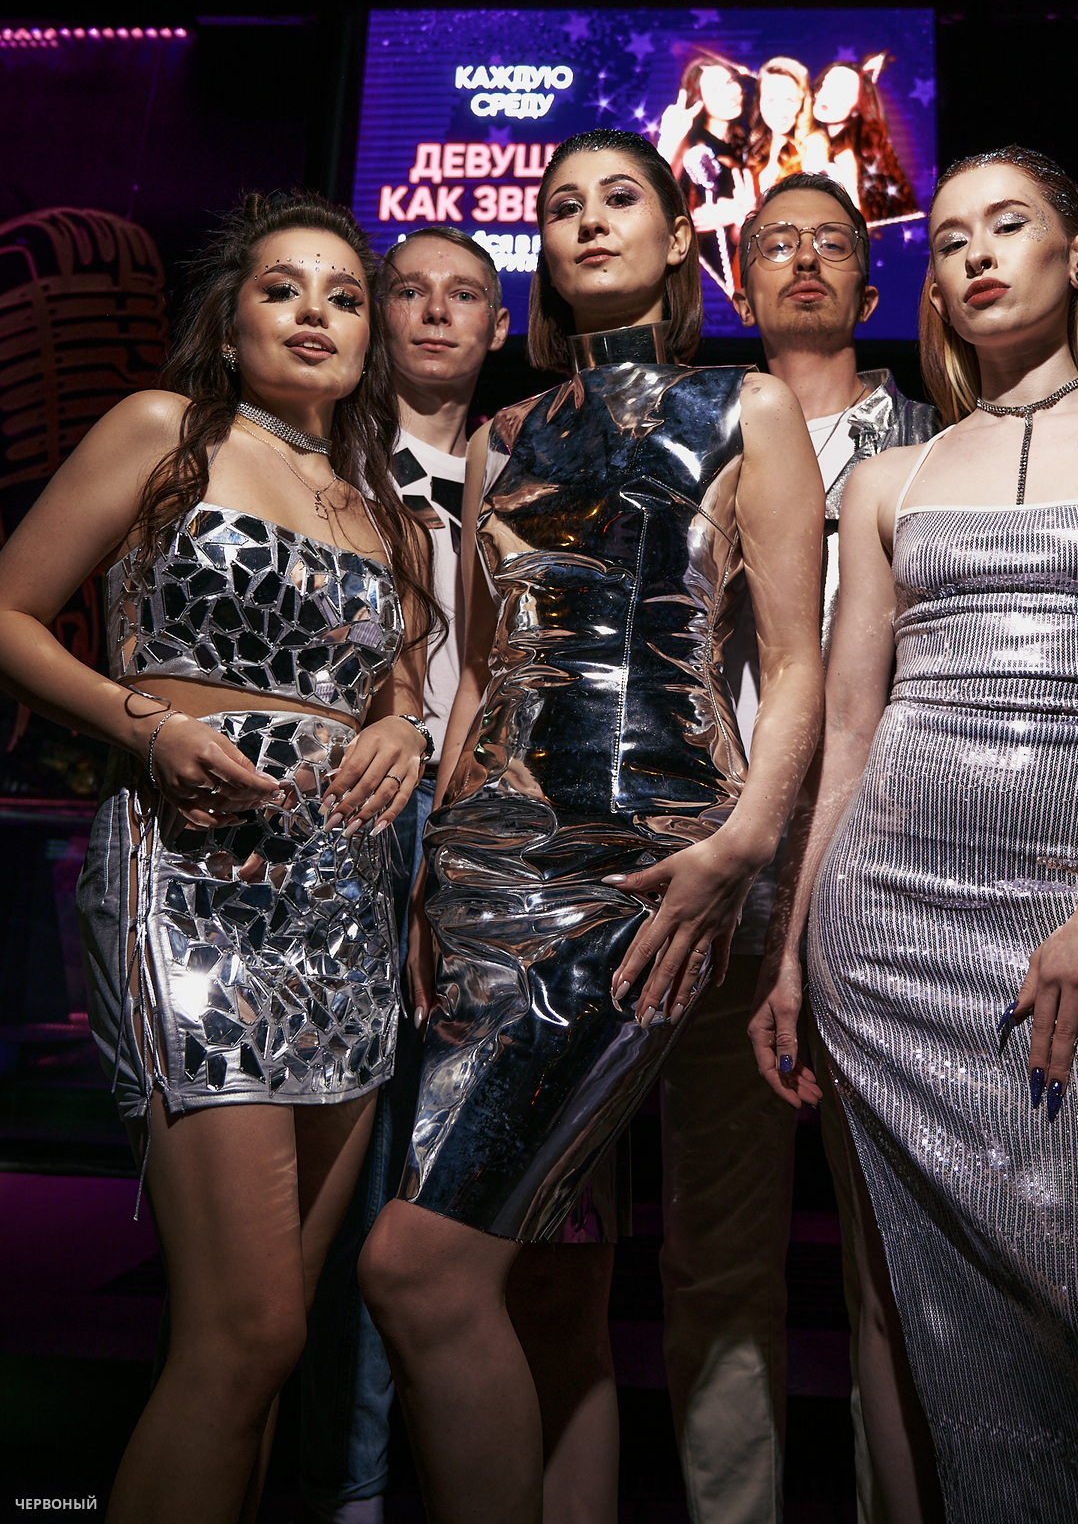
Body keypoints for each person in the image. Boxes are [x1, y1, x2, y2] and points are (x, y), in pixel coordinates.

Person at [752, 146, 1078, 1522]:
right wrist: (789, 952)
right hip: (883, 932)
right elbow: (850, 733)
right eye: (951, 235)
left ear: (1077, 256)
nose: (974, 253)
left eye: (1008, 224)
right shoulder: (888, 481)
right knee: (927, 1305)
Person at [357, 129, 825, 1524]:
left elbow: (793, 662)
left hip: (647, 865)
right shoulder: (500, 439)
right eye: (563, 208)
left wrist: (740, 847)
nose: (589, 222)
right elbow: (483, 678)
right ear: (544, 255)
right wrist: (434, 876)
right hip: (486, 872)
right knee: (548, 1281)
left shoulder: (746, 409)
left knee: (413, 1268)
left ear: (680, 238)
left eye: (620, 199)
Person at [0, 190, 437, 1523]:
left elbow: (400, 693)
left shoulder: (387, 514)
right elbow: (9, 611)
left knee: (276, 1342)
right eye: (280, 288)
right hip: (195, 884)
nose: (314, 313)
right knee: (240, 1335)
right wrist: (143, 721)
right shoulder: (164, 432)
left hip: (346, 914)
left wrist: (405, 728)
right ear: (230, 320)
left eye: (344, 296)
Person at [656, 171, 936, 1524]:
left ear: (872, 284)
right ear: (737, 280)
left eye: (833, 242)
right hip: (727, 866)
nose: (806, 260)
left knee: (899, 1255)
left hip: (892, 870)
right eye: (777, 243)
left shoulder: (937, 442)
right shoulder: (689, 435)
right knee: (716, 1248)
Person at [299, 224, 509, 1524]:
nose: (434, 312)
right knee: (336, 1176)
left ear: (498, 325)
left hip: (474, 827)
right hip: (339, 817)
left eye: (463, 293)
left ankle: (390, 1483)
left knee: (430, 1189)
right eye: (409, 291)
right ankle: (336, 1483)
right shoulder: (321, 459)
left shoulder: (519, 464)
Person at [656, 54, 757, 296]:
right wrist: (670, 140)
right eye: (714, 89)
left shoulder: (749, 142)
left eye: (730, 81)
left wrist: (742, 214)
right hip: (700, 277)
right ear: (699, 100)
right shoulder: (689, 147)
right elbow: (654, 199)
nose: (728, 93)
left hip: (740, 272)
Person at [802, 58, 920, 227]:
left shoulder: (847, 155)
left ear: (857, 109)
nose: (826, 95)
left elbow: (856, 219)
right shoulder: (817, 141)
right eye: (825, 85)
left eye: (841, 92)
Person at [745, 56, 815, 197]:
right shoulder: (752, 148)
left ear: (803, 102)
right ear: (759, 101)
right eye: (771, 100)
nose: (780, 112)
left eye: (790, 100)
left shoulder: (812, 151)